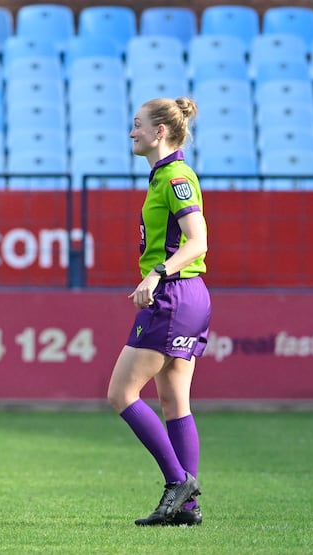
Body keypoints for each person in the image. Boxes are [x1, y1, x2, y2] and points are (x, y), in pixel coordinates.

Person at [106, 97, 211, 526]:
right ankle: (186, 509)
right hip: (189, 295)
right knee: (174, 401)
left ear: (160, 131)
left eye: (137, 125)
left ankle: (177, 483)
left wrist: (157, 274)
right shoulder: (164, 176)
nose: (132, 132)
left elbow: (198, 241)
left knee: (121, 394)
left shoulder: (175, 176)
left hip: (174, 295)